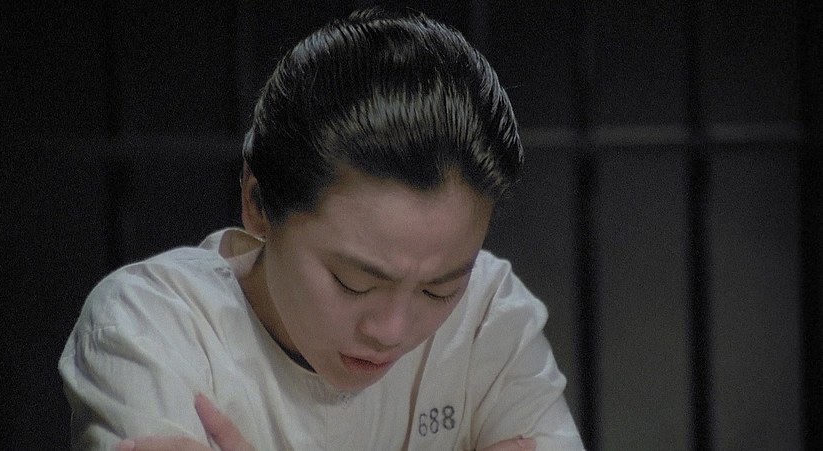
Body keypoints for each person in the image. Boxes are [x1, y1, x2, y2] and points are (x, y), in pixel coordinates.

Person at [59, 6, 584, 450]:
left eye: (438, 289)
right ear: (257, 202)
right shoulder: (152, 324)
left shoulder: (488, 314)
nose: (391, 331)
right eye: (354, 282)